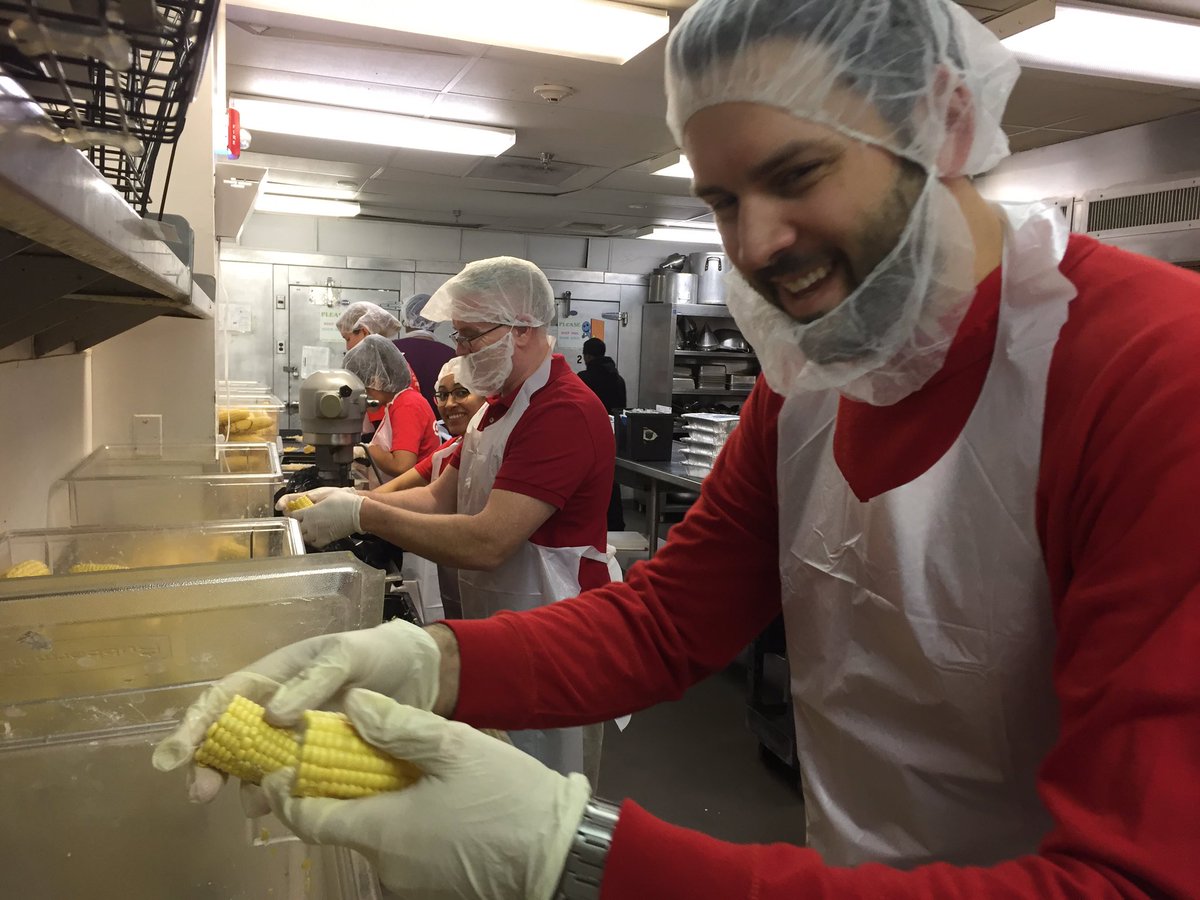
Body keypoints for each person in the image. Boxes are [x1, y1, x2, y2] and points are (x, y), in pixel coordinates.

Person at [154, 1, 1200, 897]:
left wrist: (576, 857)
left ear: (948, 120)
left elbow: (1134, 881)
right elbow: (668, 621)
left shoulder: (1154, 376)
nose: (755, 246)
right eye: (724, 202)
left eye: (799, 173)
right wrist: (435, 662)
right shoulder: (815, 381)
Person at [277, 255, 620, 780]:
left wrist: (364, 514)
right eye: (457, 335)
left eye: (470, 336)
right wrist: (342, 502)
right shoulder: (495, 409)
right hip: (504, 624)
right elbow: (440, 497)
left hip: (555, 632)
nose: (459, 350)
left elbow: (489, 541)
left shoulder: (562, 411)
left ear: (523, 329)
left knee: (539, 782)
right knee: (496, 773)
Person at [343, 335, 439, 485]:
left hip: (411, 494)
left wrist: (368, 450)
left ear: (376, 380)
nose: (363, 396)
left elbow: (402, 466)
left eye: (364, 388)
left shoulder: (406, 405)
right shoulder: (397, 402)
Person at [577, 336, 627, 530]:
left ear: (587, 356)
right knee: (612, 480)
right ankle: (615, 524)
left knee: (588, 482)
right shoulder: (618, 379)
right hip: (613, 436)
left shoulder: (583, 378)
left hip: (588, 437)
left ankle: (590, 525)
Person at [394, 292, 456, 416]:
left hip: (395, 424)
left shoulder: (390, 350)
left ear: (405, 320)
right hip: (441, 425)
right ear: (436, 319)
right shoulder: (451, 355)